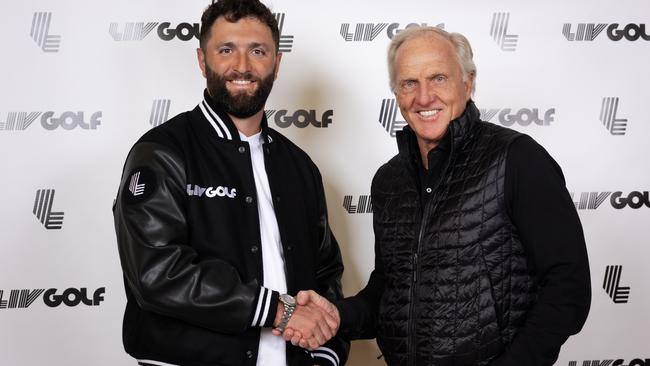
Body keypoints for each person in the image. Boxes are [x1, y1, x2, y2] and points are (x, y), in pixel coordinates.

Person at [288, 26, 591, 365]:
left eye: (438, 78)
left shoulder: (517, 159)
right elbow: (391, 291)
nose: (424, 97)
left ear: (468, 82)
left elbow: (568, 289)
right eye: (409, 83)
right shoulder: (389, 180)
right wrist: (337, 315)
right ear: (397, 93)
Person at [112, 1, 347, 365]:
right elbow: (157, 274)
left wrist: (326, 352)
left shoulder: (298, 165)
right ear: (202, 60)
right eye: (226, 50)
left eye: (257, 51)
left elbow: (326, 270)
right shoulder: (162, 153)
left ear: (277, 63)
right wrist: (278, 311)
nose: (242, 66)